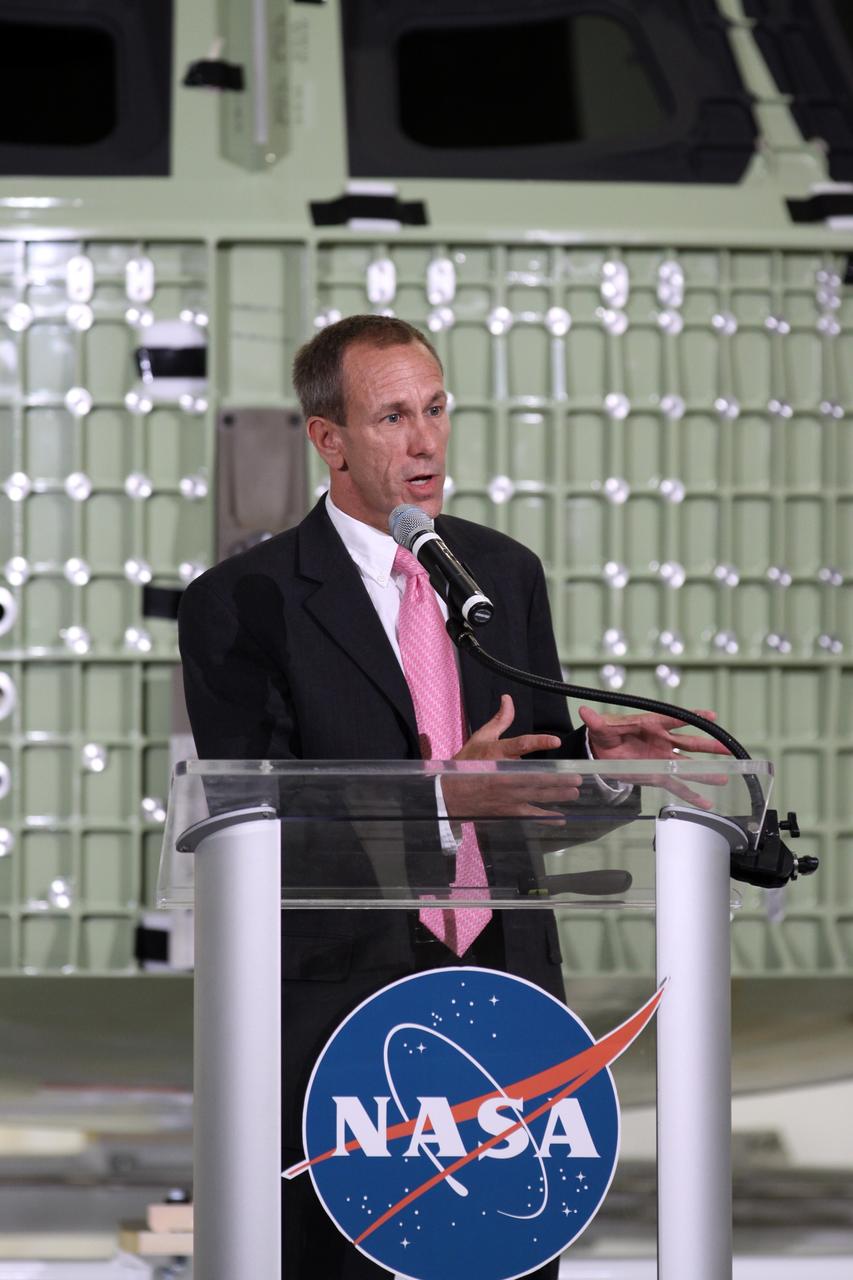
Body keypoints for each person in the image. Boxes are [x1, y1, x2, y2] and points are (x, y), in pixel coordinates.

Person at [178, 314, 729, 1278]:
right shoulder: (241, 600)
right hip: (342, 1012)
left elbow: (520, 792)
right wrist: (440, 806)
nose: (426, 441)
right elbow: (254, 828)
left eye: (435, 410)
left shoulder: (499, 574)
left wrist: (595, 761)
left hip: (507, 997)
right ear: (328, 439)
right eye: (392, 417)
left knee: (501, 1253)